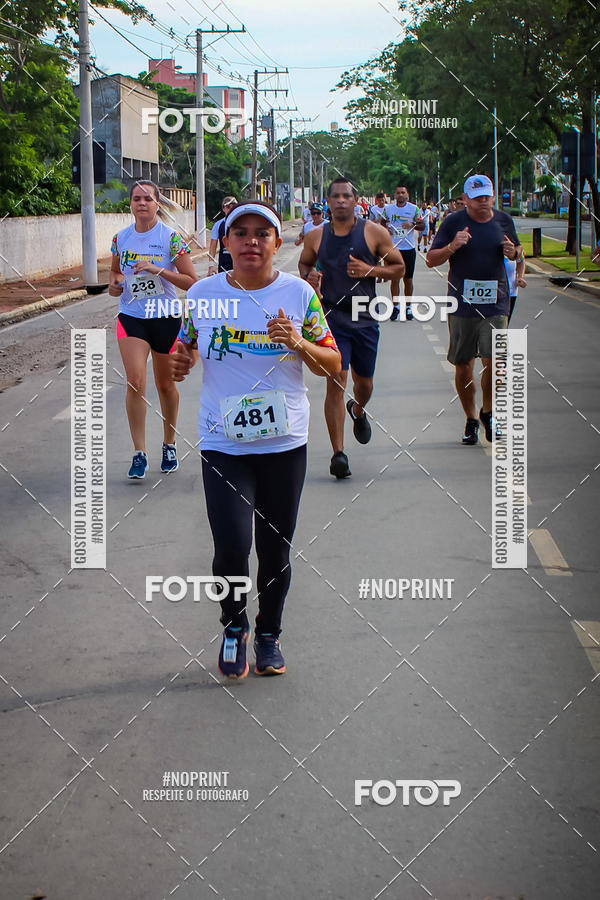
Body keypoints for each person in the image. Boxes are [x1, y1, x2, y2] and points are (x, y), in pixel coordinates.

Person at [170, 201, 341, 679]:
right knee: (230, 546)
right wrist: (179, 362)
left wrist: (299, 343)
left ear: (276, 241)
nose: (250, 241)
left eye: (261, 233)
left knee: (275, 550)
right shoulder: (202, 293)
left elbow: (333, 365)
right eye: (239, 232)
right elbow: (183, 348)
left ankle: (269, 633)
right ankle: (233, 624)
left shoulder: (298, 292)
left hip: (284, 443)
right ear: (224, 242)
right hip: (223, 442)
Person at [299, 177, 405, 479]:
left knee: (365, 384)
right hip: (333, 315)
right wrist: (310, 278)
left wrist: (370, 270)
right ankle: (338, 454)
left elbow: (399, 267)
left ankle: (358, 409)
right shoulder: (316, 236)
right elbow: (305, 266)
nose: (342, 201)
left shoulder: (373, 232)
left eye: (347, 196)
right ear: (328, 201)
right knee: (336, 378)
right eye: (336, 196)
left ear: (356, 200)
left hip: (365, 314)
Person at [109, 179, 197, 479]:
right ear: (131, 204)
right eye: (136, 198)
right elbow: (115, 276)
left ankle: (169, 443)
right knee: (135, 381)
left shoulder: (171, 238)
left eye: (148, 198)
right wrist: (115, 285)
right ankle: (139, 452)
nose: (142, 203)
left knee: (165, 385)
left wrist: (157, 269)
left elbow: (191, 281)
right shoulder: (120, 238)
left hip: (166, 317)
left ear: (158, 203)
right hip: (131, 316)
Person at [426, 174, 522, 444]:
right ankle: (470, 417)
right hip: (462, 305)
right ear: (465, 199)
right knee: (463, 365)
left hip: (496, 303)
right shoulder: (453, 223)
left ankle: (488, 412)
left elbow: (518, 251)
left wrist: (512, 252)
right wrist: (453, 246)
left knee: (495, 362)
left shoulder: (504, 221)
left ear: (493, 196)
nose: (483, 201)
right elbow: (431, 260)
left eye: (487, 196)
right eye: (477, 197)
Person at [383, 185, 424, 322]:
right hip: (394, 249)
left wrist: (412, 224)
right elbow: (382, 223)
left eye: (403, 193)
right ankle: (395, 307)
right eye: (398, 193)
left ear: (407, 195)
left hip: (409, 249)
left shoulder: (414, 209)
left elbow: (422, 225)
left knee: (408, 280)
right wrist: (386, 228)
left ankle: (408, 307)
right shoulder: (388, 209)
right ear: (394, 195)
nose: (400, 195)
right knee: (395, 279)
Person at [207, 195, 237, 275]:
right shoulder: (218, 225)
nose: (231, 209)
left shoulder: (243, 223)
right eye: (228, 207)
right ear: (223, 208)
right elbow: (213, 247)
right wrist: (211, 266)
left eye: (233, 206)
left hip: (240, 262)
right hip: (224, 263)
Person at [505, 249, 527, 324]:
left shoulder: (513, 242)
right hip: (487, 291)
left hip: (510, 292)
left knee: (502, 326)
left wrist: (520, 277)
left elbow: (521, 259)